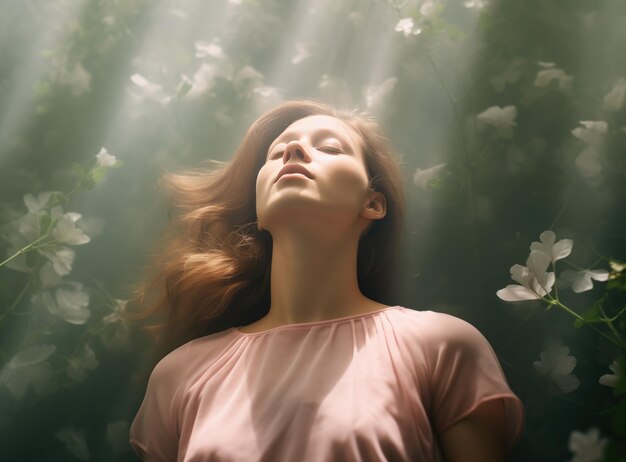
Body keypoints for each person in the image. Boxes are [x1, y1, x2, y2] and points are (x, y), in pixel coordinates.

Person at [128, 100, 524, 461]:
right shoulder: (180, 376)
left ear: (373, 203)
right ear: (259, 208)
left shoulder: (442, 348)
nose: (293, 152)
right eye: (276, 151)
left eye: (330, 148)